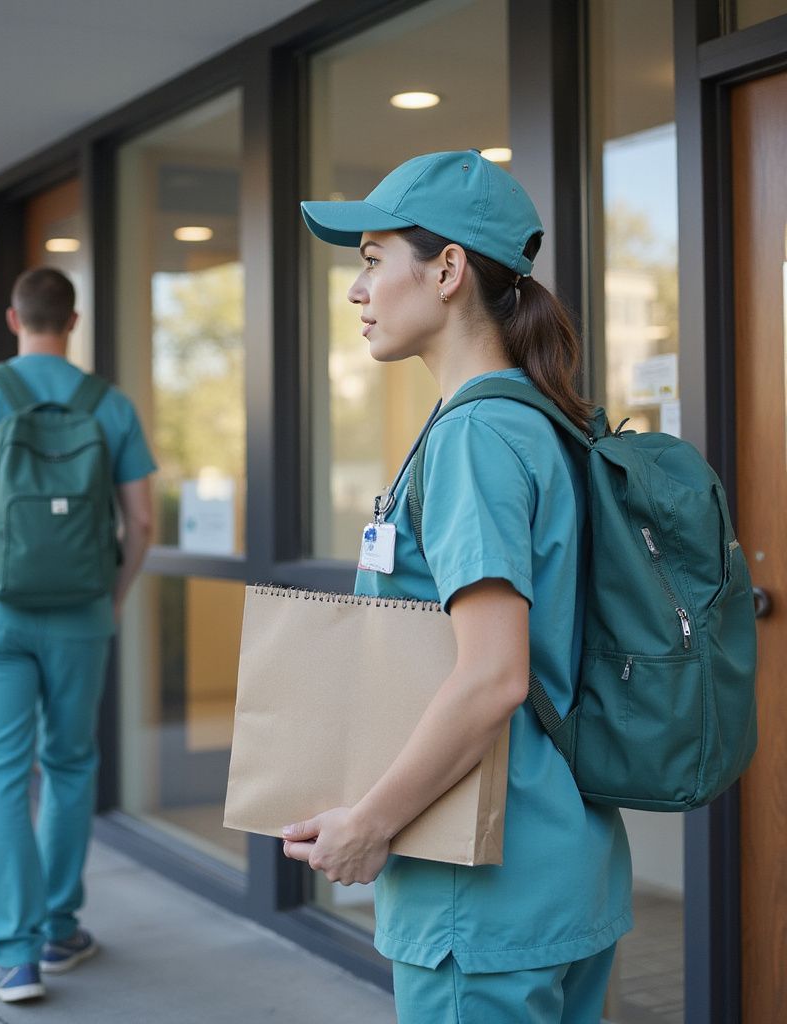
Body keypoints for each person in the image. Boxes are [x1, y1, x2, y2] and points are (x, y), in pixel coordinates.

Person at [283, 151, 632, 1023]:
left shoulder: (476, 439)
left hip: (476, 890)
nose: (356, 291)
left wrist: (369, 821)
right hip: (563, 861)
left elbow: (492, 675)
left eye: (370, 260)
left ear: (446, 271)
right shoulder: (543, 422)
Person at [0, 267, 155, 1002]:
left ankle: (14, 957)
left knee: (0, 778)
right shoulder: (109, 404)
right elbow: (140, 522)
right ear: (71, 321)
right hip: (81, 614)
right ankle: (59, 930)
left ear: (13, 321)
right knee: (72, 765)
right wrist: (111, 598)